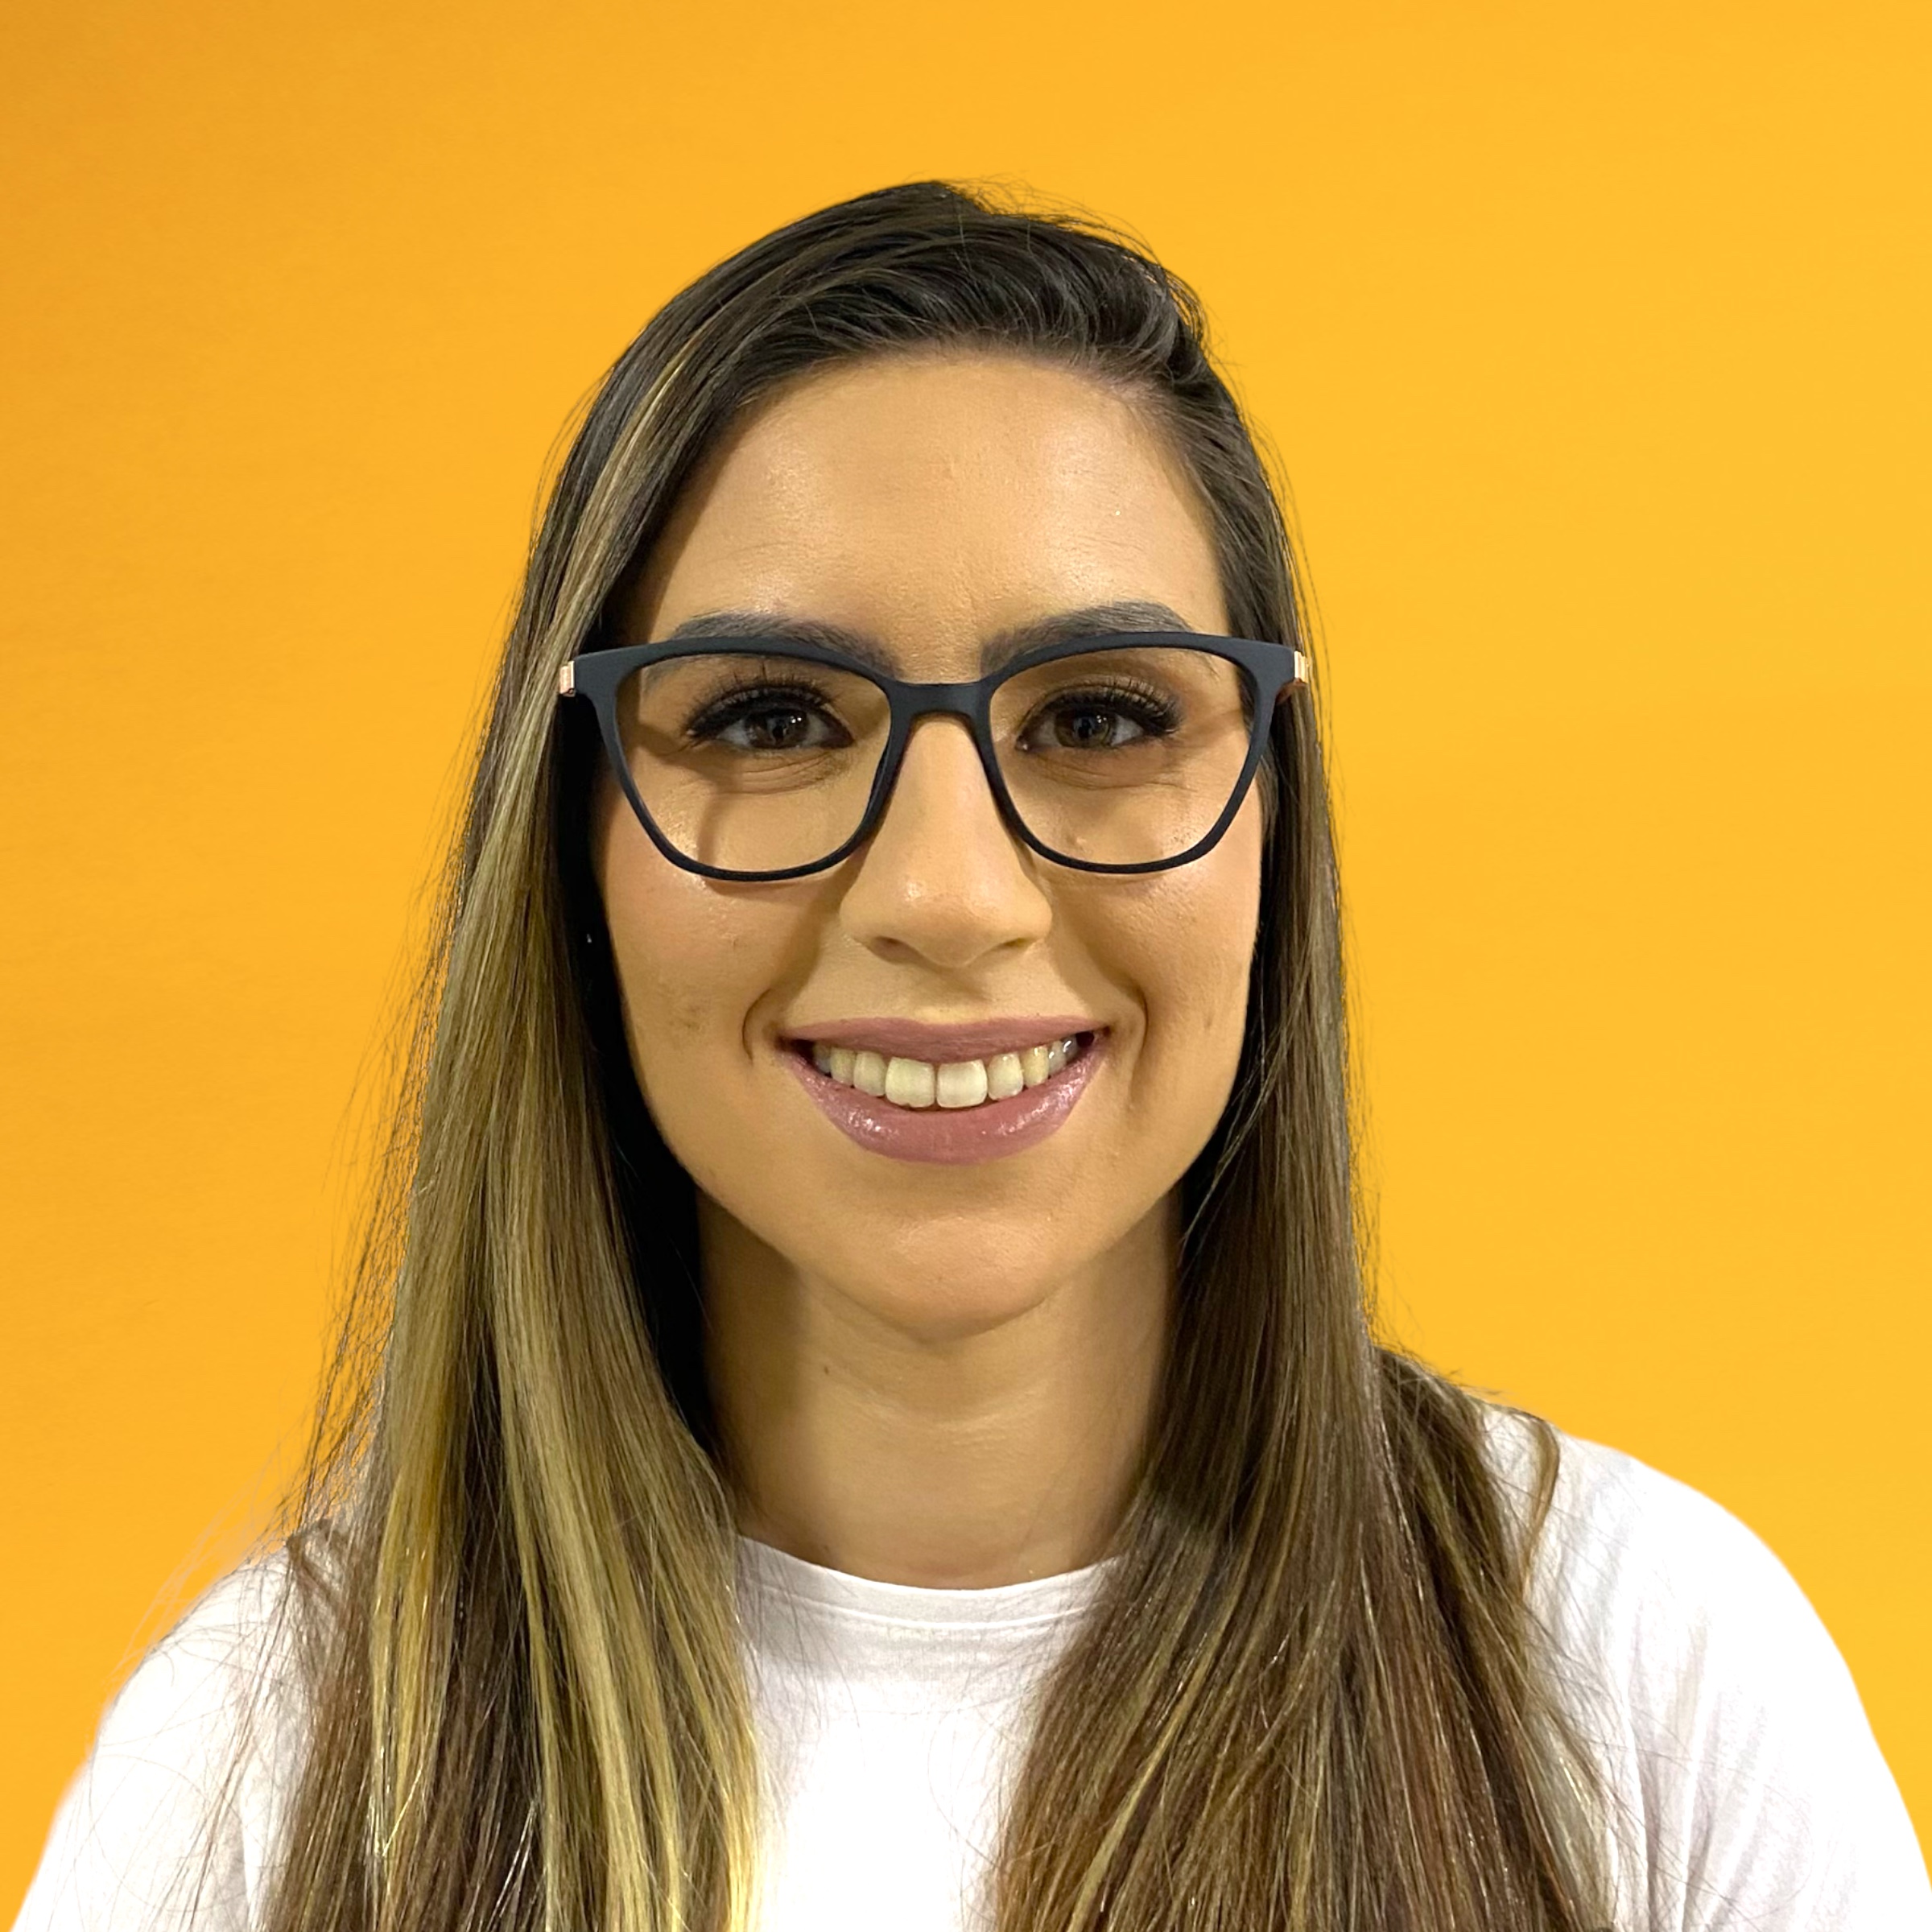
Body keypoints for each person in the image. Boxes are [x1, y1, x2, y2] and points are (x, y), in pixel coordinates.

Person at [14, 181, 1929, 1932]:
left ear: (1277, 827)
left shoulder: (1641, 1674)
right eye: (770, 717)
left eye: (1101, 716)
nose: (946, 892)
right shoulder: (266, 1761)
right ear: (573, 843)